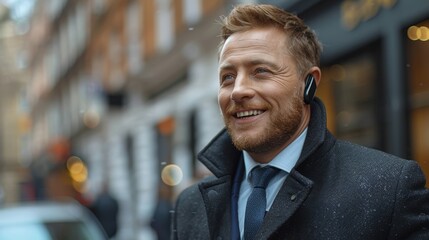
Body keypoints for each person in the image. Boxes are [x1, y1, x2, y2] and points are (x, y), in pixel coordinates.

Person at [171, 4, 429, 240]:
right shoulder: (190, 206)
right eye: (227, 77)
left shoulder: (388, 189)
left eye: (261, 71)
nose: (238, 91)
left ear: (309, 84)